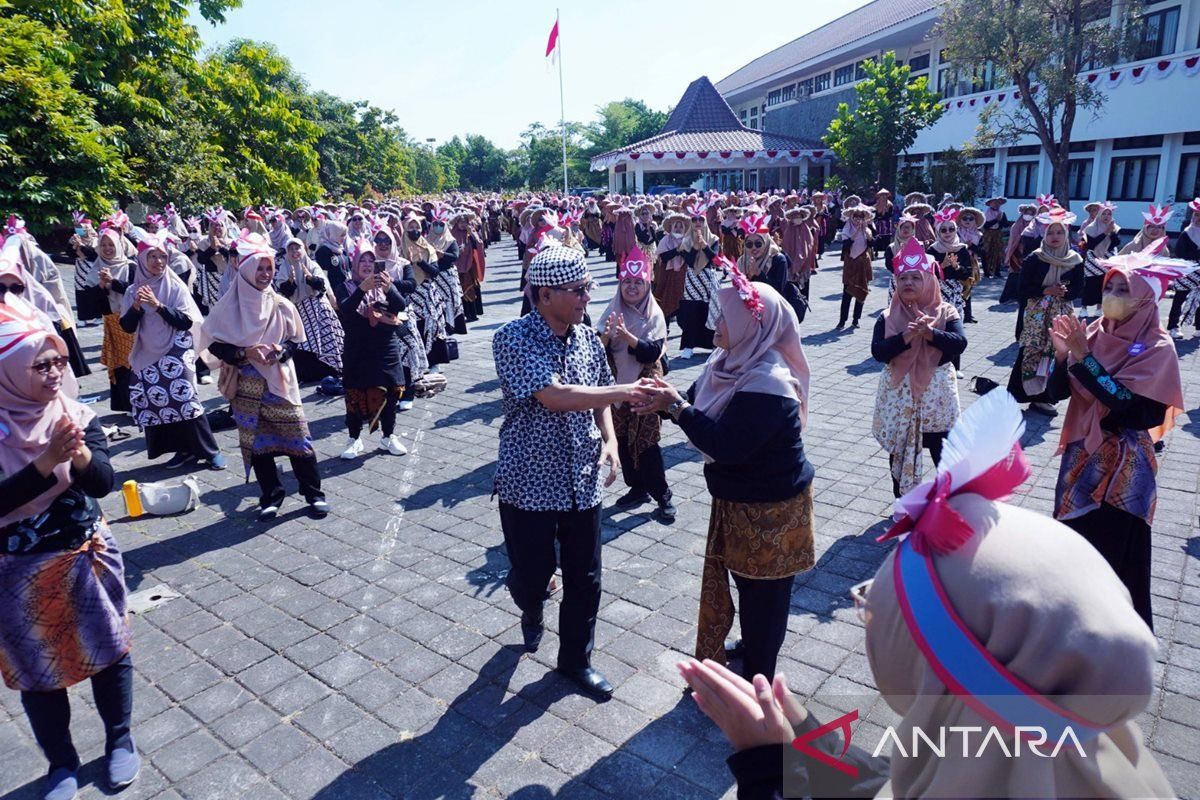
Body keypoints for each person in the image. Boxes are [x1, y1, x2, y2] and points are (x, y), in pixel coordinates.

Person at [683, 389, 1174, 800]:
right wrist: (809, 740)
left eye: (886, 608)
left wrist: (767, 769)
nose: (868, 609)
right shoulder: (1084, 744)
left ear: (949, 675)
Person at [637, 271, 813, 683]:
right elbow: (696, 403)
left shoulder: (769, 383)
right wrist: (660, 400)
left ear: (753, 324)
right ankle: (752, 647)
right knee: (746, 586)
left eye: (726, 318)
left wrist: (676, 407)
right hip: (740, 502)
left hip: (772, 513)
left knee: (764, 600)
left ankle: (759, 687)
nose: (715, 325)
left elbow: (725, 444)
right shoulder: (728, 361)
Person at [491, 245, 649, 700]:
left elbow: (596, 394)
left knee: (586, 576)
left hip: (582, 477)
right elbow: (554, 395)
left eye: (586, 289)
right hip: (529, 480)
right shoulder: (512, 338)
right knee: (533, 575)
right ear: (543, 295)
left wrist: (612, 442)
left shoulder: (584, 337)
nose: (586, 297)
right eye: (576, 290)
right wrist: (626, 390)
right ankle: (529, 599)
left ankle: (575, 661)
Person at [0, 299, 139, 800]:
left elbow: (103, 482)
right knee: (40, 672)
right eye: (41, 364)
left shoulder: (78, 413)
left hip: (86, 555)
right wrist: (44, 463)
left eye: (60, 359)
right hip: (17, 571)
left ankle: (120, 739)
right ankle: (62, 762)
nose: (57, 371)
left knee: (109, 649)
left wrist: (77, 452)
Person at [1046, 259, 1188, 631]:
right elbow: (1059, 393)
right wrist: (1062, 358)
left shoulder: (1158, 346)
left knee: (1114, 554)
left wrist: (1084, 359)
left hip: (1123, 470)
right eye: (1109, 288)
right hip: (1081, 455)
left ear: (1144, 298)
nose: (1112, 296)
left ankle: (1115, 638)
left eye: (1123, 290)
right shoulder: (1092, 332)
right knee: (1071, 542)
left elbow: (1131, 409)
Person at [200, 235, 328, 522]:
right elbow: (213, 345)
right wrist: (245, 353)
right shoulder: (227, 306)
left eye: (269, 268)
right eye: (260, 268)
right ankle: (271, 496)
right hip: (246, 385)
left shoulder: (281, 304)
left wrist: (280, 352)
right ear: (245, 269)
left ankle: (314, 494)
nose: (265, 274)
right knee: (258, 446)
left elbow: (296, 341)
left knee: (298, 439)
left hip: (279, 382)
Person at [119, 235, 225, 470]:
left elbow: (186, 321)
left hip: (177, 347)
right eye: (152, 257)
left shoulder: (174, 285)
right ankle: (183, 450)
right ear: (142, 260)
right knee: (158, 400)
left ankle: (210, 450)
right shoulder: (132, 291)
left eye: (162, 256)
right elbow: (127, 327)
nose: (158, 261)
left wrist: (158, 306)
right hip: (147, 350)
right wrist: (137, 307)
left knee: (185, 398)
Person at [871, 237, 965, 496]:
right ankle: (903, 501)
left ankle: (950, 502)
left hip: (937, 395)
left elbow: (959, 344)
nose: (908, 283)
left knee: (942, 447)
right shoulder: (888, 315)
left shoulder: (946, 311)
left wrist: (931, 333)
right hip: (899, 393)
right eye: (903, 279)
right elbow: (878, 352)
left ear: (929, 281)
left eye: (915, 278)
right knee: (900, 447)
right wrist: (906, 338)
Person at [600, 246, 674, 521]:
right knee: (620, 439)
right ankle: (637, 488)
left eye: (637, 282)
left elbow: (652, 352)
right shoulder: (612, 308)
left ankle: (662, 494)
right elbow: (598, 348)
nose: (632, 287)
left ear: (647, 284)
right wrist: (608, 336)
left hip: (646, 388)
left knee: (647, 443)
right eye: (627, 282)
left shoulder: (654, 314)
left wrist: (628, 337)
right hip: (617, 387)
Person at [1007, 206, 1084, 416]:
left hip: (1061, 312)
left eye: (1059, 232)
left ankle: (1045, 398)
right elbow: (1021, 289)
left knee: (1056, 352)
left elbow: (1078, 289)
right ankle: (1018, 394)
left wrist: (1064, 292)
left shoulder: (1075, 259)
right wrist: (1045, 290)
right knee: (1031, 349)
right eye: (1050, 232)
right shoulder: (1035, 258)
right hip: (1036, 314)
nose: (1055, 236)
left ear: (1066, 233)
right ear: (1044, 234)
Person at [337, 244, 409, 459]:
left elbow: (401, 305)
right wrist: (362, 289)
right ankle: (354, 438)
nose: (367, 265)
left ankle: (389, 436)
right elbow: (346, 309)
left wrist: (388, 288)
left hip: (386, 346)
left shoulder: (385, 283)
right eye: (362, 261)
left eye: (371, 261)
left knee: (390, 390)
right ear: (354, 264)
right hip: (357, 349)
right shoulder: (346, 286)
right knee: (355, 393)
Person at [275, 236, 344, 387]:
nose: (295, 252)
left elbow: (322, 286)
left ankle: (330, 369)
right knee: (304, 343)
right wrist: (291, 281)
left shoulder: (312, 265)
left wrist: (310, 278)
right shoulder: (284, 268)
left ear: (303, 249)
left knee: (326, 338)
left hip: (318, 307)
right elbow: (283, 291)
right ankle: (309, 374)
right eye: (291, 250)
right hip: (299, 309)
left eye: (297, 248)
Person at [677, 204, 724, 357]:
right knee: (692, 311)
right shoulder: (685, 241)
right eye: (694, 220)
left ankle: (712, 344)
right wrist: (694, 247)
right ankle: (689, 345)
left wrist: (704, 245)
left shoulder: (713, 239)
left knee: (711, 310)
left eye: (700, 220)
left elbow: (714, 258)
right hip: (692, 278)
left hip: (708, 277)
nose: (697, 223)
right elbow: (689, 261)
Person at [1079, 201, 1122, 318]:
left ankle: (1099, 308)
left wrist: (1112, 232)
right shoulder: (1090, 228)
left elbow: (1115, 243)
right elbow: (1091, 244)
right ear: (1099, 215)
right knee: (1089, 284)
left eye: (1109, 214)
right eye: (1104, 214)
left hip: (1107, 260)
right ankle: (1084, 308)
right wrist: (1105, 233)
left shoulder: (1115, 228)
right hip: (1092, 260)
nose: (1106, 216)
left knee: (1103, 284)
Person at [836, 206, 874, 329]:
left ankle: (856, 319)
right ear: (851, 217)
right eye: (856, 216)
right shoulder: (847, 228)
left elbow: (873, 244)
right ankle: (842, 321)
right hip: (850, 262)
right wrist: (856, 233)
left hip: (863, 262)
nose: (858, 219)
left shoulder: (867, 229)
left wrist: (868, 236)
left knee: (862, 290)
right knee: (847, 292)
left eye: (861, 217)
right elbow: (846, 246)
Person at [1168, 198, 1200, 339]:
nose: (1199, 218)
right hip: (1186, 272)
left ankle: (1198, 327)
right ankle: (1173, 327)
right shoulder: (1186, 233)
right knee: (1179, 299)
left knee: (1198, 299)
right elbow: (1180, 253)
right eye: (1197, 215)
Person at [652, 210, 690, 327]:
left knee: (681, 300)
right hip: (667, 275)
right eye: (676, 226)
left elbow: (691, 258)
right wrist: (677, 250)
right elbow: (663, 256)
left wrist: (682, 251)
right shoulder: (665, 240)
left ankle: (683, 325)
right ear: (671, 227)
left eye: (680, 226)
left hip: (682, 276)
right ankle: (665, 326)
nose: (678, 229)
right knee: (665, 298)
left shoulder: (688, 241)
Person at [980, 194, 1008, 277]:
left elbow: (1005, 224)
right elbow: (986, 225)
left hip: (997, 234)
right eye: (994, 203)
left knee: (998, 252)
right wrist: (996, 220)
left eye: (998, 203)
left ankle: (997, 271)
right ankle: (987, 272)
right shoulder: (986, 214)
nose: (996, 204)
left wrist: (1000, 220)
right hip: (988, 234)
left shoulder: (1002, 213)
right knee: (986, 252)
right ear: (990, 204)